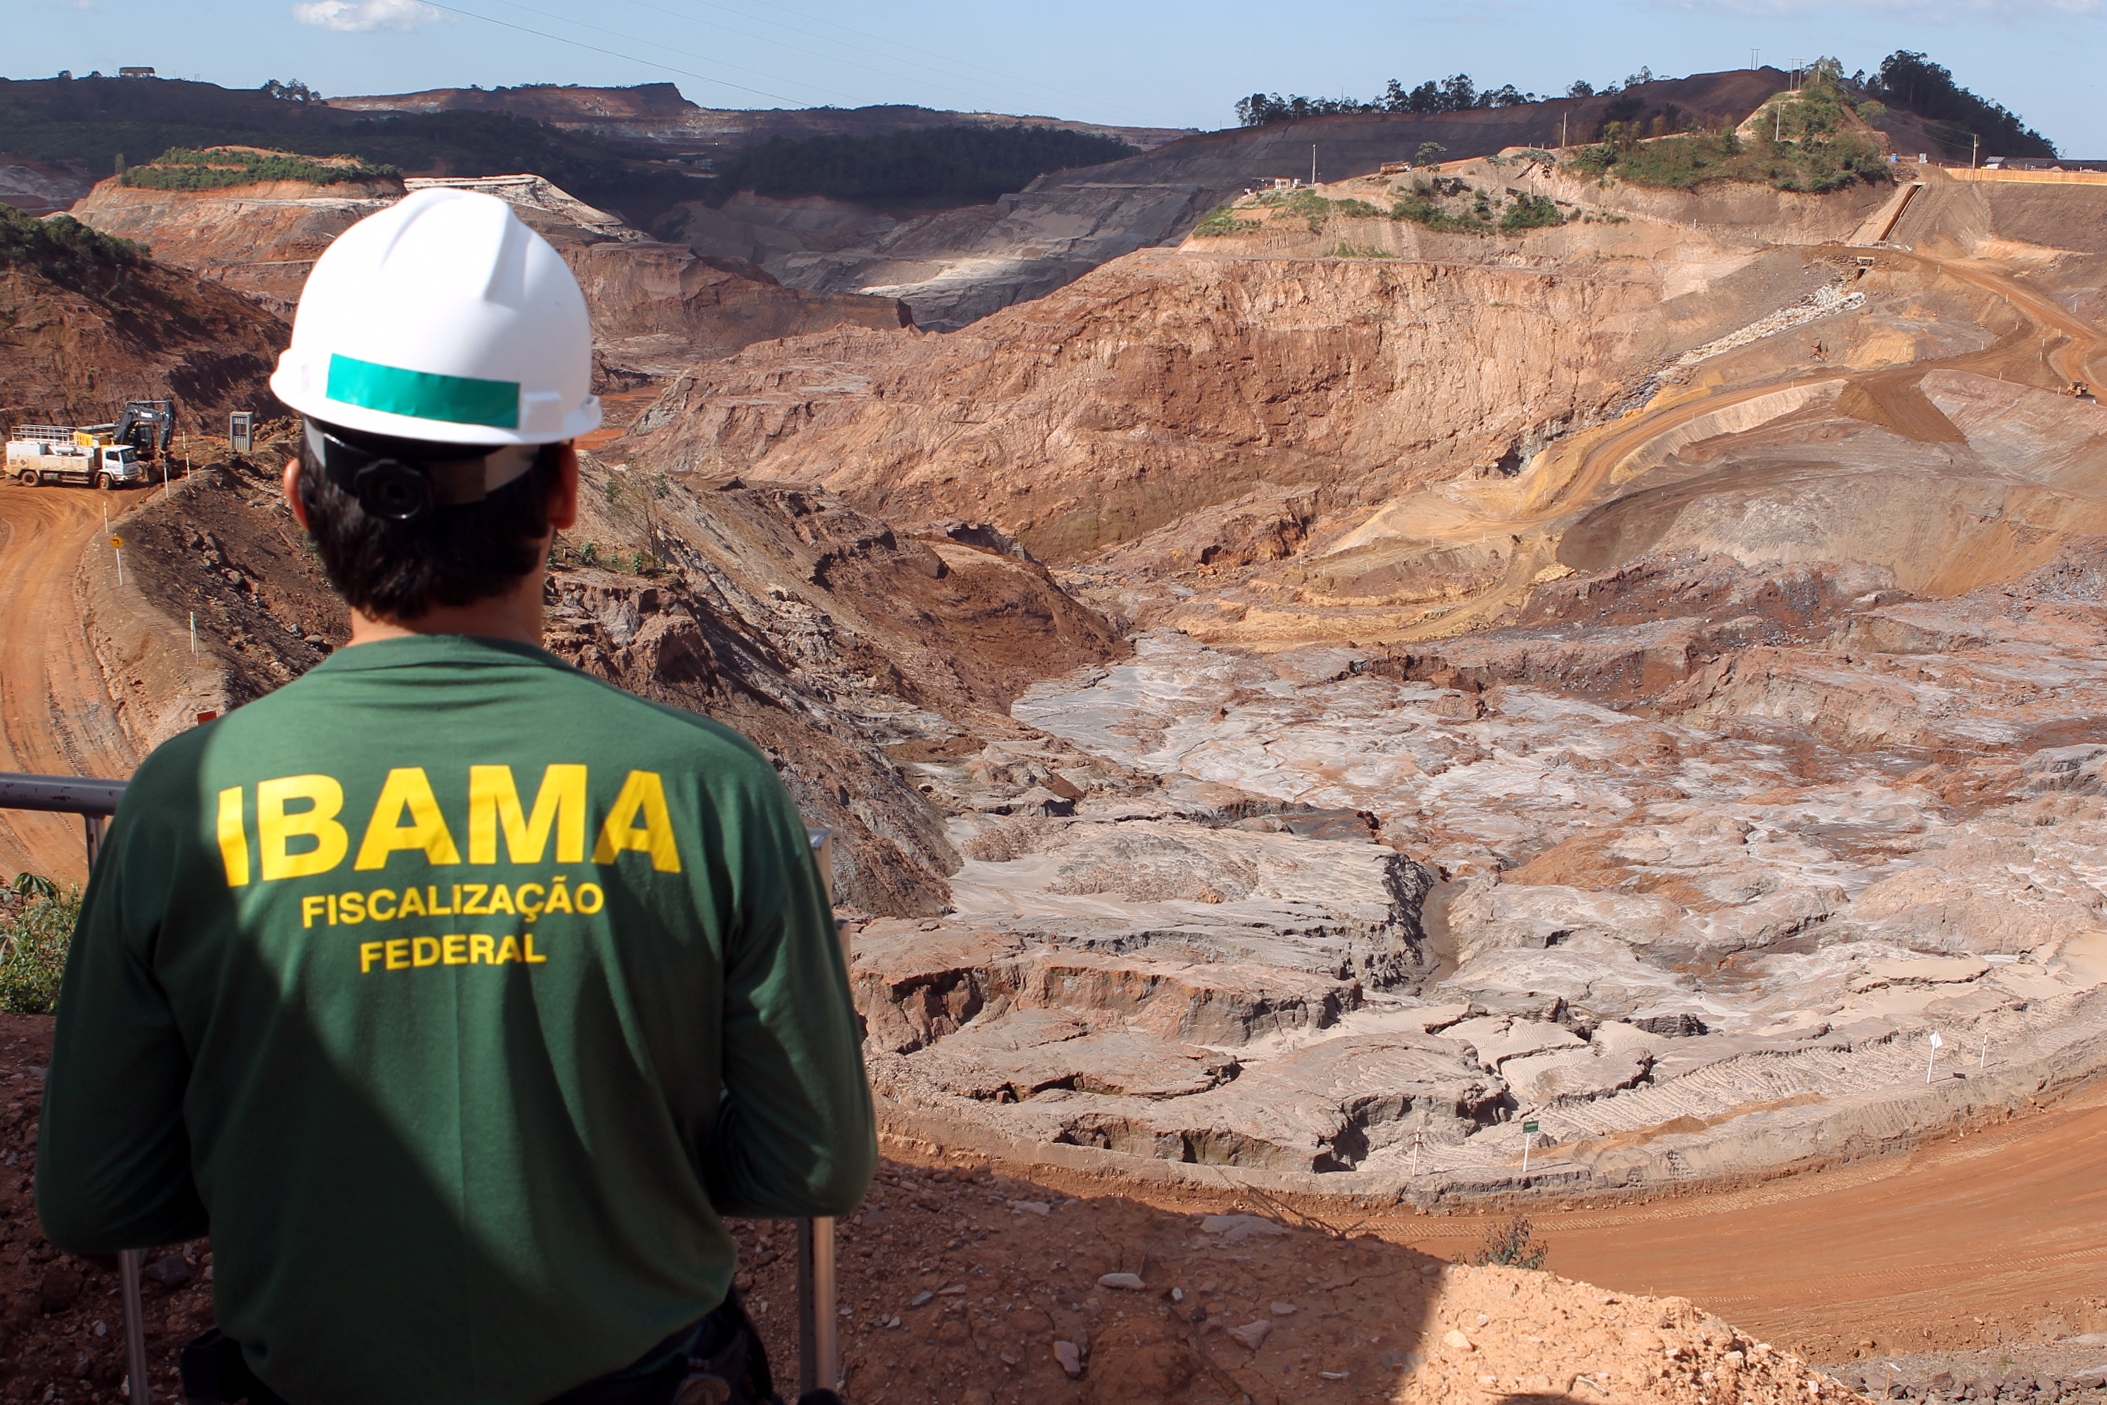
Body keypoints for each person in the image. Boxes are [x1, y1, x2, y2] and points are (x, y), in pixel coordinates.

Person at [36, 187, 874, 1405]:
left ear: (295, 497)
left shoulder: (183, 804)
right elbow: (815, 1163)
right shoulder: (714, 795)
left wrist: (289, 1171)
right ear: (564, 494)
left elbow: (94, 1193)